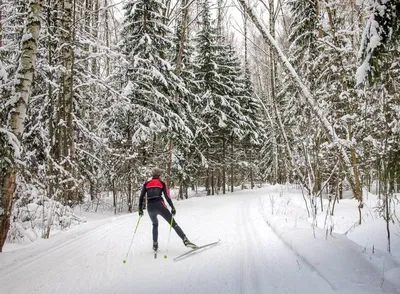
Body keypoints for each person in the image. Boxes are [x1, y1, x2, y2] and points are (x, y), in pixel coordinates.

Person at [138, 167, 196, 251]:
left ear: (152, 174)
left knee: (155, 224)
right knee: (173, 223)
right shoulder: (162, 183)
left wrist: (140, 209)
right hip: (160, 205)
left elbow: (141, 197)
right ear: (159, 175)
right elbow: (167, 197)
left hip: (150, 207)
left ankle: (155, 244)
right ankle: (185, 240)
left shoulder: (146, 184)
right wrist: (172, 207)